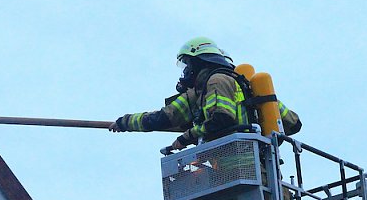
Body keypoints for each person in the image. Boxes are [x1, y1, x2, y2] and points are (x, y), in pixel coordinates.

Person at [107, 37, 301, 150]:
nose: (185, 70)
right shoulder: (242, 87)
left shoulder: (216, 81)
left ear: (198, 62)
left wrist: (186, 137)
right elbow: (293, 123)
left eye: (187, 64)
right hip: (259, 165)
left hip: (238, 163)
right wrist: (125, 123)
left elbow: (221, 119)